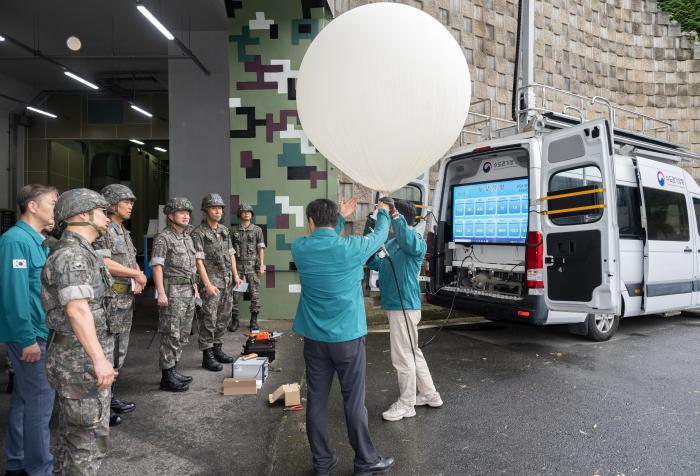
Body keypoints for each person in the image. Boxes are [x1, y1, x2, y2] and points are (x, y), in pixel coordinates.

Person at [292, 197, 395, 476]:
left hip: (315, 340)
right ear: (332, 220)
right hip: (348, 338)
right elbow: (381, 234)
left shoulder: (300, 248)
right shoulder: (352, 248)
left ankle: (322, 463)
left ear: (310, 221)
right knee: (353, 401)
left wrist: (337, 216)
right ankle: (365, 461)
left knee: (316, 401)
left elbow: (323, 236)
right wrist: (383, 211)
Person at [41, 188, 117, 475]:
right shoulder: (73, 255)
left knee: (71, 436)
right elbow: (77, 309)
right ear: (83, 215)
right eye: (102, 212)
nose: (108, 218)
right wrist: (99, 360)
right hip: (80, 361)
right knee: (87, 440)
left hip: (78, 357)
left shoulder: (83, 252)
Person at [0, 184, 58, 476]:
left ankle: (17, 462)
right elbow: (14, 294)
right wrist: (26, 340)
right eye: (51, 203)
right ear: (32, 207)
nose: (55, 209)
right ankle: (39, 469)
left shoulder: (38, 241)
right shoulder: (15, 242)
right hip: (30, 335)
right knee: (40, 403)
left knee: (25, 399)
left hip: (39, 331)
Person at [367, 199, 442, 422]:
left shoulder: (414, 239)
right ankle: (430, 394)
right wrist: (370, 243)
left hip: (404, 306)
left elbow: (409, 242)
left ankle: (407, 404)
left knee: (402, 356)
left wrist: (393, 214)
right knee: (412, 351)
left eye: (391, 216)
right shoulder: (391, 243)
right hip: (395, 305)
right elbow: (376, 263)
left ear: (397, 216)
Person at [93, 184, 148, 425]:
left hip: (124, 300)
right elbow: (104, 262)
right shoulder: (103, 230)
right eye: (126, 202)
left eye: (132, 202)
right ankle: (100, 406)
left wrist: (137, 273)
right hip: (110, 302)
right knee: (107, 351)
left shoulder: (123, 231)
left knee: (118, 352)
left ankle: (110, 396)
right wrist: (135, 274)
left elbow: (130, 259)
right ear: (112, 204)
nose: (130, 206)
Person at [150, 197, 199, 392]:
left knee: (184, 333)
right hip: (172, 292)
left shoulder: (187, 237)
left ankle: (174, 368)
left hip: (187, 291)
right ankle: (167, 375)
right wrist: (161, 293)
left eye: (188, 212)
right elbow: (157, 266)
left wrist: (194, 286)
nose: (186, 215)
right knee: (171, 333)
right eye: (181, 212)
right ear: (171, 216)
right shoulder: (164, 238)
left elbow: (191, 265)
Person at [191, 193, 241, 372]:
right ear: (206, 211)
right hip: (211, 283)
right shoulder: (198, 233)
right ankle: (207, 354)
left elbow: (231, 253)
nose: (218, 211)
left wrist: (235, 275)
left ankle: (217, 348)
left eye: (220, 208)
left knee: (223, 317)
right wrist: (207, 284)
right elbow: (198, 261)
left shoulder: (224, 230)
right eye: (214, 208)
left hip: (226, 281)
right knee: (209, 319)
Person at [229, 203, 266, 332]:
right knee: (234, 295)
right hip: (237, 267)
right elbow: (230, 251)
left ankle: (254, 320)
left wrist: (262, 264)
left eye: (249, 211)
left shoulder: (257, 230)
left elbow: (260, 247)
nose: (246, 213)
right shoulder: (233, 230)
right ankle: (235, 321)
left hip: (251, 267)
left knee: (254, 295)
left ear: (251, 214)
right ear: (239, 214)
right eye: (243, 211)